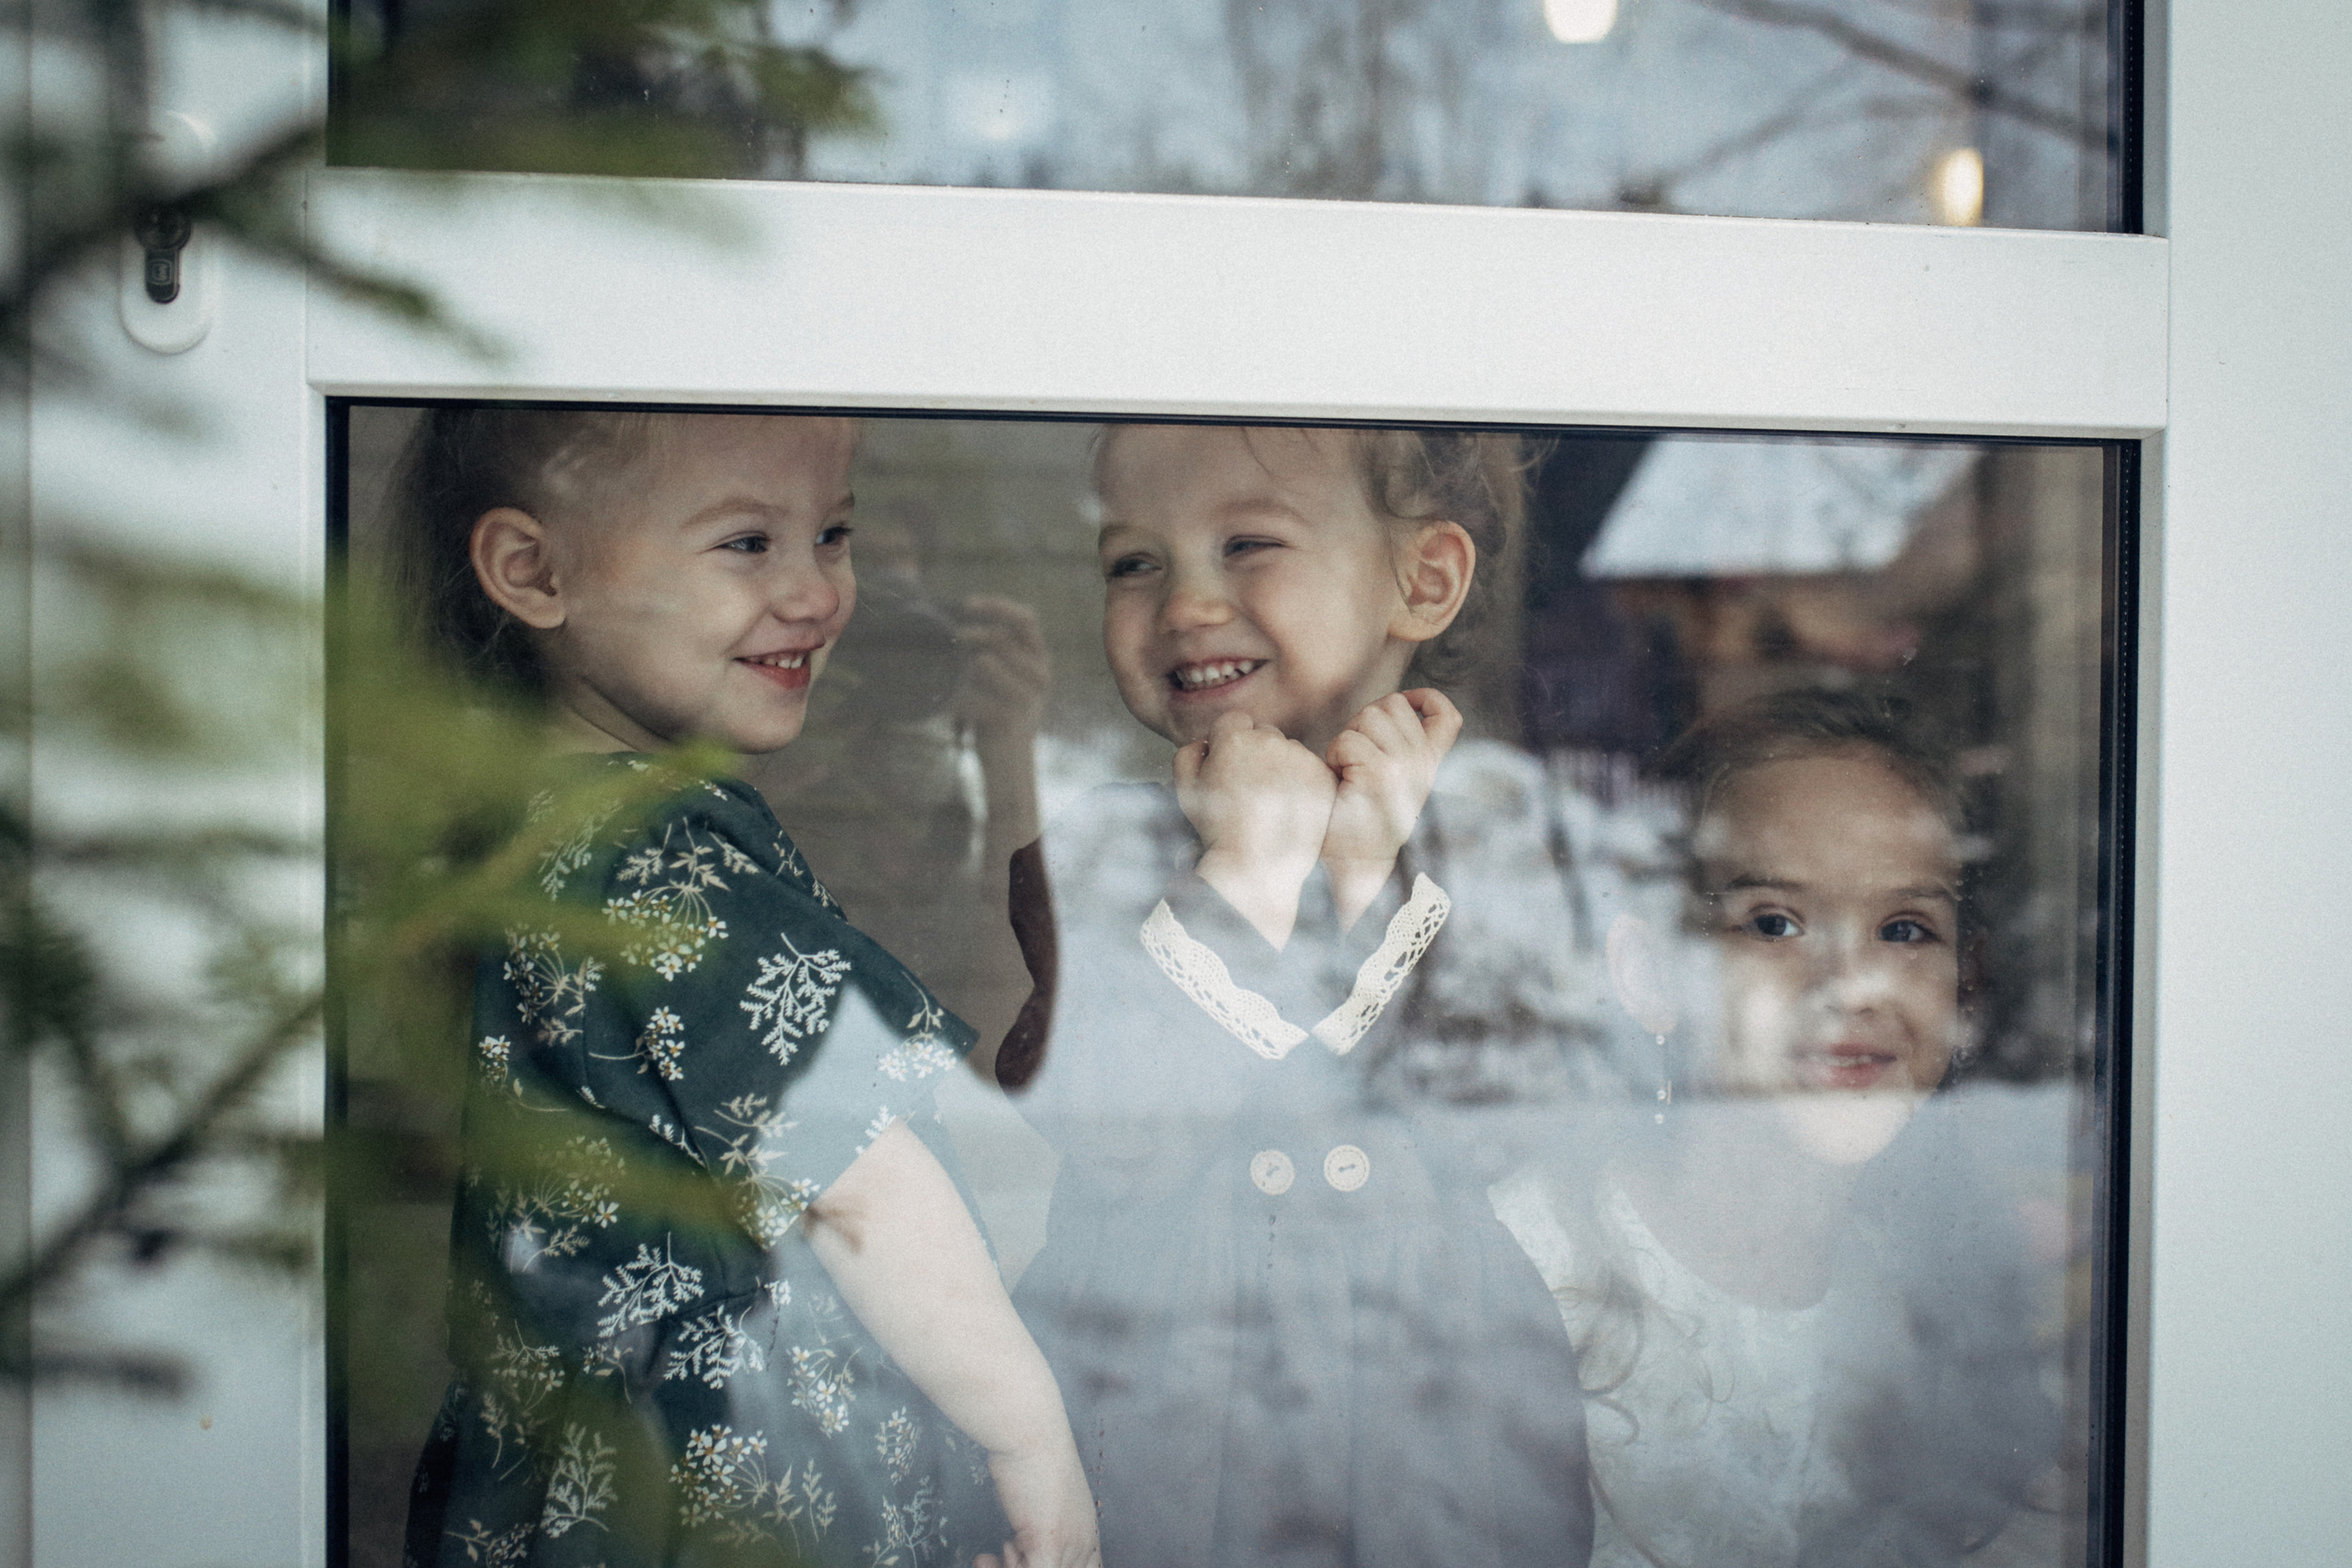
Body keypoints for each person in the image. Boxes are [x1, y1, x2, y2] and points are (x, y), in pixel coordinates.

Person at [388, 408, 1100, 1568]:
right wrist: (1030, 1437)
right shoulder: (658, 860)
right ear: (532, 571)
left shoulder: (539, 836)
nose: (817, 592)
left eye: (832, 534)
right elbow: (863, 1184)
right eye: (746, 544)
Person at [998, 423, 1595, 1568]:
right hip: (1157, 1402)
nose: (1184, 604)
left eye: (1248, 543)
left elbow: (1518, 1116)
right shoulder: (1095, 849)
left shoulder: (1494, 837)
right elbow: (1107, 1125)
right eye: (1134, 561)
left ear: (1421, 581)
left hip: (1437, 1415)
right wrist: (1252, 878)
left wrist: (1372, 879)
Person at [1490, 689, 2059, 1568]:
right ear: (1650, 972)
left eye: (1904, 929)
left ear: (1964, 987)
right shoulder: (1523, 1278)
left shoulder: (1916, 1304)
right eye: (1775, 922)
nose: (1851, 984)